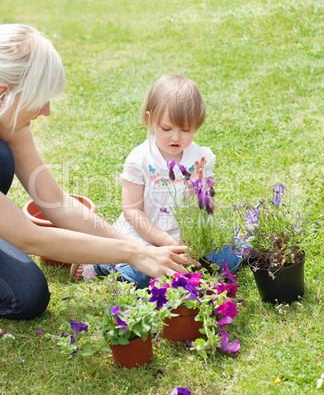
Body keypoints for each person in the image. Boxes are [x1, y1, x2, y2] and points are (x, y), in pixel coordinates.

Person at [0, 25, 198, 338]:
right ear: (2, 94)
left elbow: (56, 203)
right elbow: (29, 238)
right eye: (40, 99)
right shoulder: (3, 105)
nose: (46, 111)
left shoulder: (3, 112)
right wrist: (132, 255)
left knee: (29, 295)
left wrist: (134, 245)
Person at [78, 75, 243, 286]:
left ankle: (186, 270)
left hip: (187, 238)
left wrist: (198, 190)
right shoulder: (140, 159)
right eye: (167, 129)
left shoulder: (201, 158)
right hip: (145, 239)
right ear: (149, 120)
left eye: (185, 130)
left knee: (228, 255)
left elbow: (207, 210)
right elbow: (132, 211)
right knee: (143, 274)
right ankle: (106, 264)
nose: (176, 137)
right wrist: (165, 241)